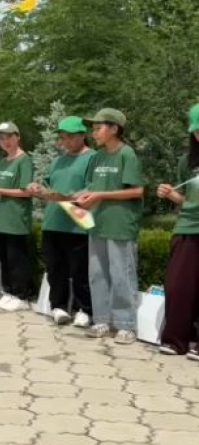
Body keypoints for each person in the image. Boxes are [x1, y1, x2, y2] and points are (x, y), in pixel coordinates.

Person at [75, 109, 144, 344]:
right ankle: (102, 320)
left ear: (114, 128)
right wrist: (79, 196)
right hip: (97, 224)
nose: (93, 133)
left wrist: (99, 195)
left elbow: (137, 190)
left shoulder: (127, 154)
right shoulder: (96, 157)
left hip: (120, 225)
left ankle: (126, 325)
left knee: (121, 274)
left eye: (98, 128)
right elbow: (91, 187)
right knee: (97, 274)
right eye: (92, 128)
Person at [27, 116, 95, 327]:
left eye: (67, 137)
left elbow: (92, 190)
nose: (63, 142)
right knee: (55, 268)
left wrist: (67, 196)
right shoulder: (57, 161)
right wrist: (38, 189)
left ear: (81, 136)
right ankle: (58, 307)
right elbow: (47, 185)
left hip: (78, 224)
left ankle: (85, 309)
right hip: (53, 222)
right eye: (61, 137)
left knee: (80, 270)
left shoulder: (93, 158)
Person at [157, 103, 199, 359]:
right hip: (188, 227)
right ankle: (175, 340)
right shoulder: (188, 161)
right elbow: (186, 198)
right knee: (178, 287)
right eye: (196, 130)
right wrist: (172, 195)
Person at [0, 122, 34, 312]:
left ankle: (22, 295)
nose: (5, 142)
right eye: (1, 138)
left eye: (9, 137)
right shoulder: (3, 161)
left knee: (16, 258)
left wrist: (1, 190)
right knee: (4, 258)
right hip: (0, 219)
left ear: (17, 137)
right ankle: (8, 292)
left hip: (15, 219)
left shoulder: (24, 160)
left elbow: (26, 191)